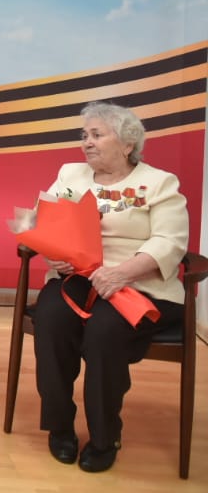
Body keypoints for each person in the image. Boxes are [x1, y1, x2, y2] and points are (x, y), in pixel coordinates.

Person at [33, 101, 189, 473]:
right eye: (84, 135)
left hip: (139, 284)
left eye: (96, 135)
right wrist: (52, 250)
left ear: (127, 143)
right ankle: (59, 426)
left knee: (104, 330)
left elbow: (170, 242)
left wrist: (122, 273)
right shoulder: (70, 174)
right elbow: (43, 219)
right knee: (51, 317)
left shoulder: (159, 183)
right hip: (76, 278)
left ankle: (105, 437)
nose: (86, 142)